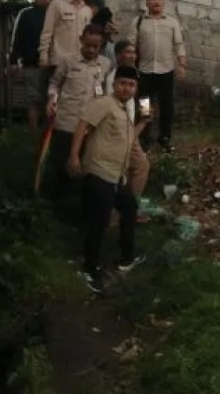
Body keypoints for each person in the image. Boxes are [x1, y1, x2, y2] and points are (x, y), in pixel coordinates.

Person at [70, 65, 149, 294]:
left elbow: (127, 141)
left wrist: (142, 123)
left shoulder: (123, 112)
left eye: (131, 85)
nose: (127, 88)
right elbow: (83, 124)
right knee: (100, 221)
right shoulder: (105, 103)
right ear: (114, 85)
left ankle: (126, 258)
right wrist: (74, 156)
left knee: (130, 207)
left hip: (115, 175)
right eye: (123, 83)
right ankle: (89, 269)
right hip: (99, 172)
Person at [46, 24, 114, 218]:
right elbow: (54, 84)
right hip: (66, 123)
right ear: (81, 40)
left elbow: (108, 91)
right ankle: (57, 210)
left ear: (101, 45)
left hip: (90, 128)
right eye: (88, 45)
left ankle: (79, 211)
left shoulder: (106, 64)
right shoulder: (67, 61)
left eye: (96, 46)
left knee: (84, 169)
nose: (92, 50)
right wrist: (51, 100)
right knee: (63, 166)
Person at [127, 0, 186, 153]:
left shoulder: (172, 22)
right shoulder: (139, 21)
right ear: (147, 2)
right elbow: (131, 44)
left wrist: (182, 65)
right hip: (144, 70)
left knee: (167, 106)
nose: (156, 2)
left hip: (166, 70)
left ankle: (165, 137)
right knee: (145, 105)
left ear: (163, 2)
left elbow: (179, 44)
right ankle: (144, 138)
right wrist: (130, 64)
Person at [105, 39, 150, 204]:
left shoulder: (137, 75)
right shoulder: (113, 78)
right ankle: (127, 206)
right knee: (135, 167)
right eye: (128, 52)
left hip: (131, 130)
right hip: (118, 130)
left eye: (134, 52)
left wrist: (145, 113)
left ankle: (130, 204)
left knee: (139, 166)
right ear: (118, 56)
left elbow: (143, 96)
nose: (132, 56)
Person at [6, 0, 55, 130]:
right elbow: (17, 37)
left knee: (52, 98)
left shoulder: (55, 13)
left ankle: (49, 133)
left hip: (54, 64)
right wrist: (13, 61)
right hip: (32, 63)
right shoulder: (26, 14)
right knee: (34, 99)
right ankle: (33, 133)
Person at [39, 0, 93, 68]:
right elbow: (47, 32)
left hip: (81, 61)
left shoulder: (87, 10)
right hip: (60, 60)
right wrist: (43, 55)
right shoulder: (57, 4)